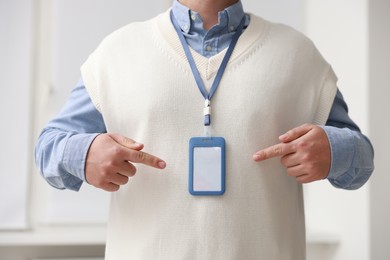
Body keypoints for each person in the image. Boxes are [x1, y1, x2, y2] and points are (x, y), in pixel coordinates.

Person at [35, 0, 374, 259]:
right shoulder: (116, 53)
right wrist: (86, 153)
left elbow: (362, 157)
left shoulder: (299, 54)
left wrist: (333, 149)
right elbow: (48, 148)